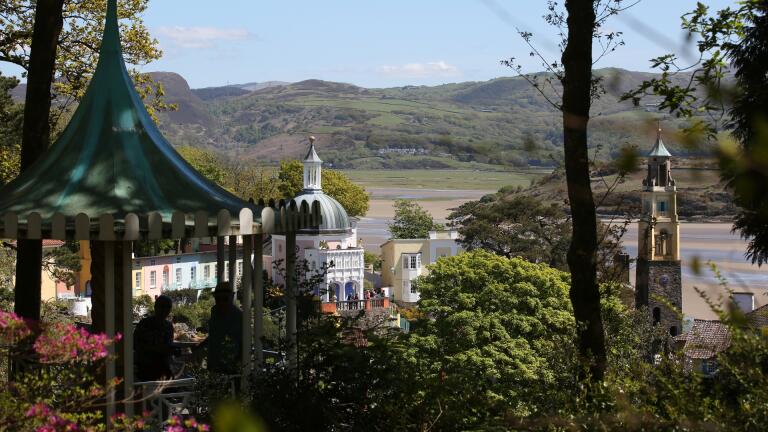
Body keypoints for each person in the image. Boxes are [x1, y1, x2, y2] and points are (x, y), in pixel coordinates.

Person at [134, 295, 174, 381]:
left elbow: (169, 345)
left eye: (168, 307)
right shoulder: (145, 324)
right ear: (155, 307)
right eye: (162, 306)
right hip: (146, 368)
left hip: (164, 368)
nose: (166, 309)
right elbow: (136, 345)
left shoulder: (169, 326)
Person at [205, 282, 242, 374]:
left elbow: (244, 342)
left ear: (231, 297)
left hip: (230, 365)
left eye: (225, 299)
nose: (221, 302)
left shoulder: (239, 316)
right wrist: (199, 346)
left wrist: (238, 363)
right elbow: (213, 335)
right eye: (218, 299)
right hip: (213, 363)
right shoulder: (214, 311)